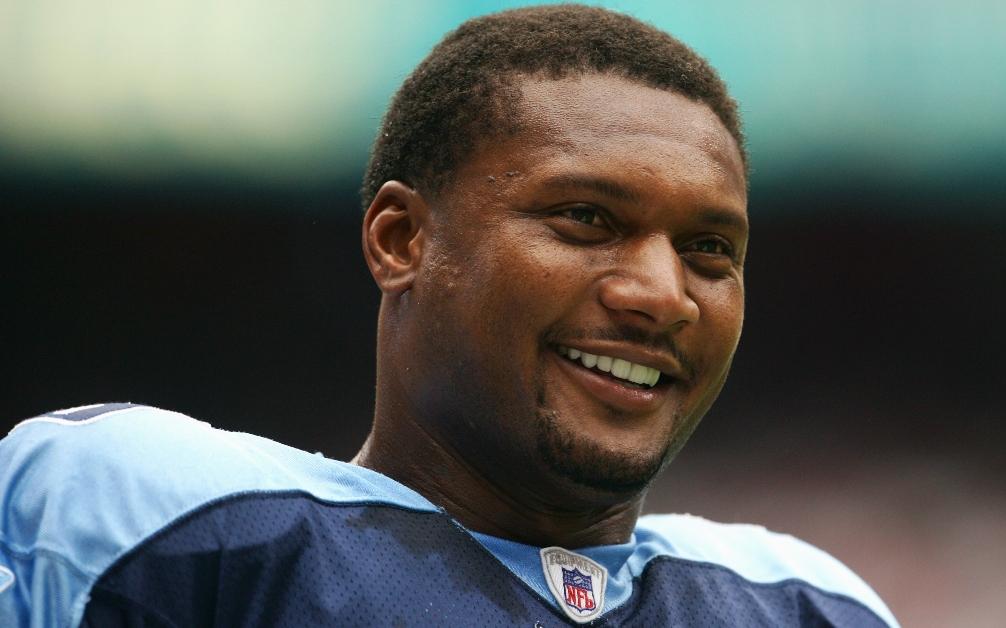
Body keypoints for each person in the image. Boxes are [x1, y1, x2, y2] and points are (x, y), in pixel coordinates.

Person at [0, 5, 897, 626]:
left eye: (710, 250)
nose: (662, 294)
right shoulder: (159, 529)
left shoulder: (810, 607)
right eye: (586, 219)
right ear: (401, 240)